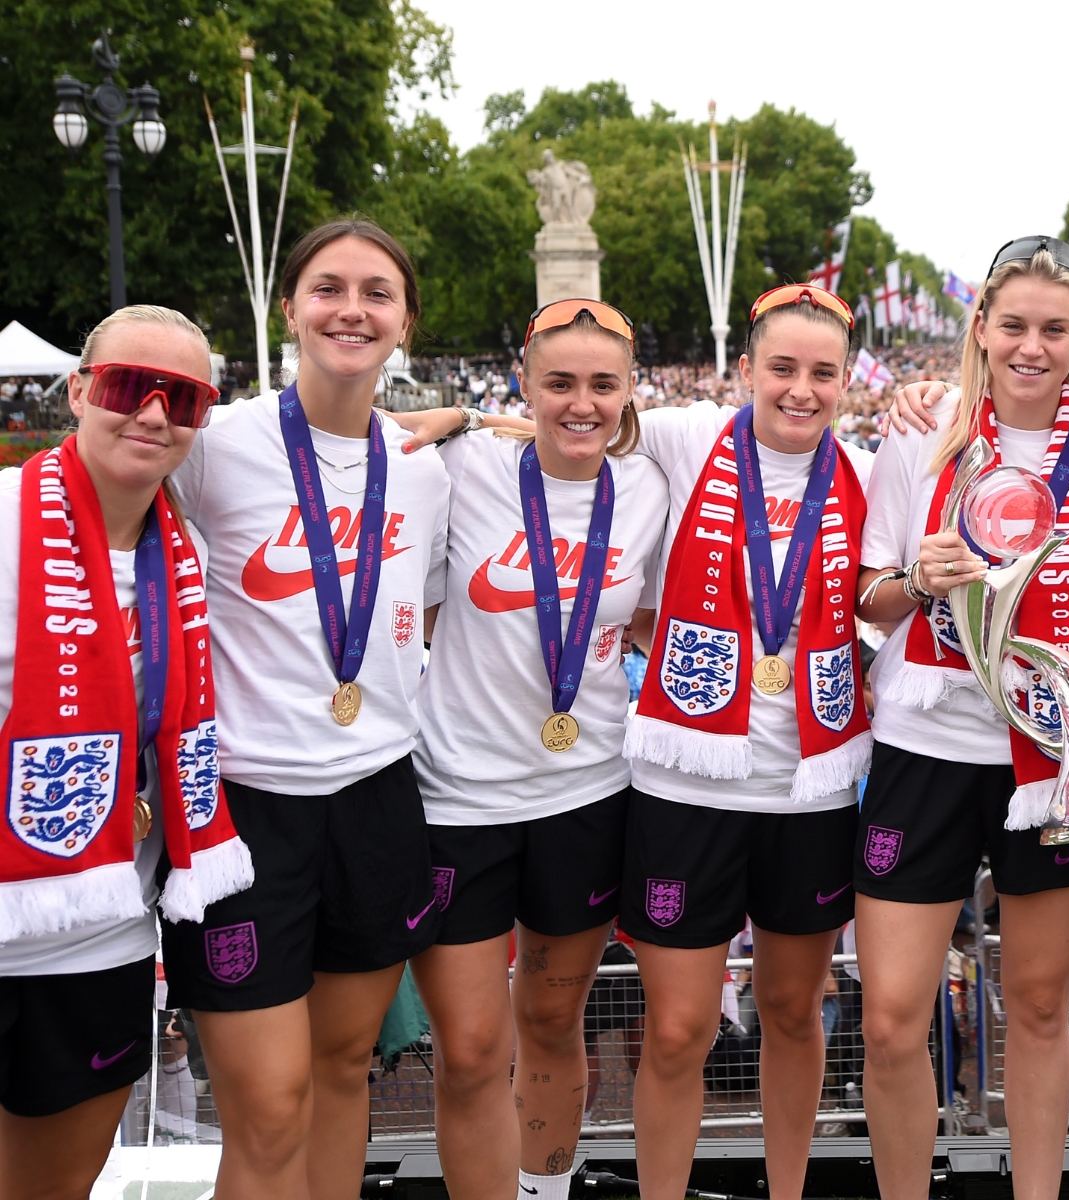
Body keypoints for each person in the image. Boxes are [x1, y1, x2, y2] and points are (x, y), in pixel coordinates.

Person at [158, 219, 451, 1200]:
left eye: (377, 292)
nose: (352, 309)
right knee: (269, 1104)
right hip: (244, 816)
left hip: (374, 802)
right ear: (291, 307)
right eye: (329, 287)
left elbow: (421, 613)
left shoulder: (420, 471)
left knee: (341, 1074)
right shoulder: (217, 446)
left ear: (404, 321)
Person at [854, 237, 1069, 1200]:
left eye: (1053, 328)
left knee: (1040, 1005)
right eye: (1012, 324)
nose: (1030, 345)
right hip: (925, 743)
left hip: (1050, 756)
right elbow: (868, 596)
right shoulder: (918, 433)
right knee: (892, 1016)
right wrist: (915, 578)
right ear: (981, 329)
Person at [399, 300, 667, 1200]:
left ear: (631, 393)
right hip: (460, 797)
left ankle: (546, 1190)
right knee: (471, 1047)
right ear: (523, 384)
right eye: (558, 384)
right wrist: (461, 415)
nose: (580, 404)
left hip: (587, 790)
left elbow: (646, 621)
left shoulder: (649, 489)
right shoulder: (460, 467)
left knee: (554, 1018)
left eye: (602, 385)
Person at [623, 284, 873, 1200]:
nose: (800, 390)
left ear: (848, 381)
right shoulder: (690, 437)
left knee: (793, 1013)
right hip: (688, 779)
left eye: (822, 373)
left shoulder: (868, 468)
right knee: (681, 1029)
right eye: (782, 368)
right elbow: (569, 410)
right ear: (745, 371)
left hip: (806, 788)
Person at [0, 307, 252, 1200]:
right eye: (124, 386)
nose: (151, 413)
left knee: (55, 1186)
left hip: (100, 938)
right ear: (78, 390)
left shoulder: (190, 555)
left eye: (180, 397)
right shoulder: (4, 526)